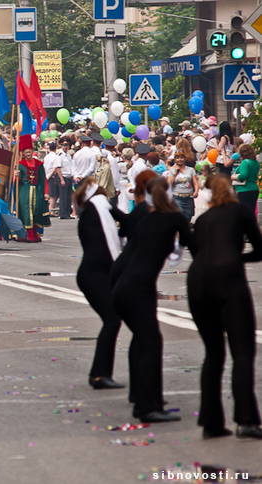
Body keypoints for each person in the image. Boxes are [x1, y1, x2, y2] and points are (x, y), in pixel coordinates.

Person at [188, 174, 262, 439]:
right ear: (230, 191)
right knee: (242, 351)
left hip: (197, 281)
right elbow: (260, 249)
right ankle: (246, 420)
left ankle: (210, 422)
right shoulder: (240, 211)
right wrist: (237, 257)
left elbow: (198, 251)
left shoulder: (203, 219)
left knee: (213, 353)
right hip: (229, 279)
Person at [111, 177, 191, 422]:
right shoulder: (174, 216)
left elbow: (125, 234)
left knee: (144, 341)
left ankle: (144, 398)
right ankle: (147, 407)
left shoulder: (145, 216)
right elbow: (193, 244)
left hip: (124, 287)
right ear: (168, 193)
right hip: (138, 289)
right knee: (151, 343)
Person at [74, 177, 127, 390]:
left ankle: (99, 373)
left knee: (113, 320)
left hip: (98, 273)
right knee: (112, 320)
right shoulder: (98, 211)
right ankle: (99, 375)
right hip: (93, 275)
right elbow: (127, 221)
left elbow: (123, 225)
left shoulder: (92, 212)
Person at [16, 135, 51, 242]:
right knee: (26, 213)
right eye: (26, 152)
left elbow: (43, 179)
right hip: (24, 192)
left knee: (37, 213)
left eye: (30, 152)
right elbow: (17, 183)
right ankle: (29, 235)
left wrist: (46, 192)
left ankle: (35, 233)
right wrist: (15, 176)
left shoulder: (39, 164)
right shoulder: (20, 165)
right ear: (23, 153)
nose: (28, 154)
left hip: (37, 192)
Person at [167, 151, 200, 220]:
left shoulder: (191, 170)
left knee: (188, 218)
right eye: (177, 158)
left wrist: (196, 191)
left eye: (181, 157)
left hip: (188, 198)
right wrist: (174, 174)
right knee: (179, 218)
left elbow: (195, 182)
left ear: (185, 159)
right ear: (175, 159)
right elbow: (169, 184)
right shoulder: (172, 171)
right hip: (177, 198)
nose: (180, 159)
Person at [232, 143, 259, 214]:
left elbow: (243, 176)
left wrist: (233, 177)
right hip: (254, 189)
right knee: (251, 212)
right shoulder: (255, 162)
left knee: (243, 213)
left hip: (245, 190)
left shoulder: (245, 162)